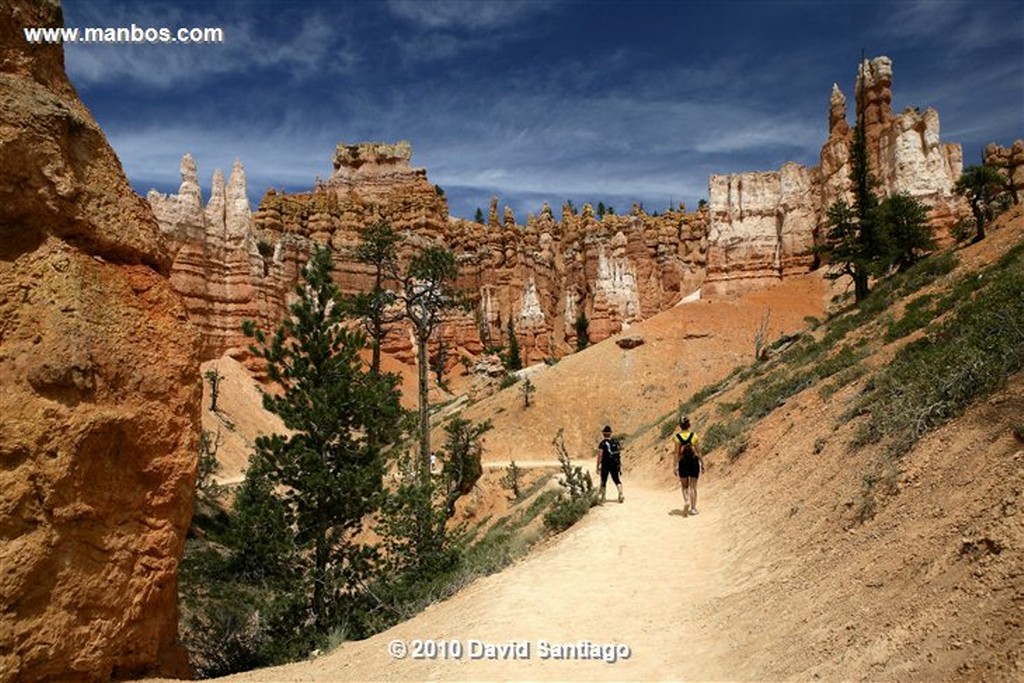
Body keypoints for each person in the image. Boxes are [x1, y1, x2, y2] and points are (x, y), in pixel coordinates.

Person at [674, 416, 704, 515]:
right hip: (694, 461)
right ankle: (693, 508)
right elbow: (698, 451)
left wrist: (675, 465)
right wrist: (702, 463)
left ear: (680, 426)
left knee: (684, 486)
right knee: (693, 487)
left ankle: (686, 500)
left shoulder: (677, 437)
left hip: (683, 462)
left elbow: (676, 453)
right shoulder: (694, 435)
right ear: (688, 424)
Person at [595, 425, 624, 504]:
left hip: (605, 465)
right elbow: (620, 450)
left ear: (604, 433)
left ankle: (603, 498)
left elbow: (600, 455)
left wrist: (597, 466)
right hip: (614, 464)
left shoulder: (602, 443)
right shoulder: (614, 442)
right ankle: (620, 494)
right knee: (616, 479)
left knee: (603, 480)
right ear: (610, 433)